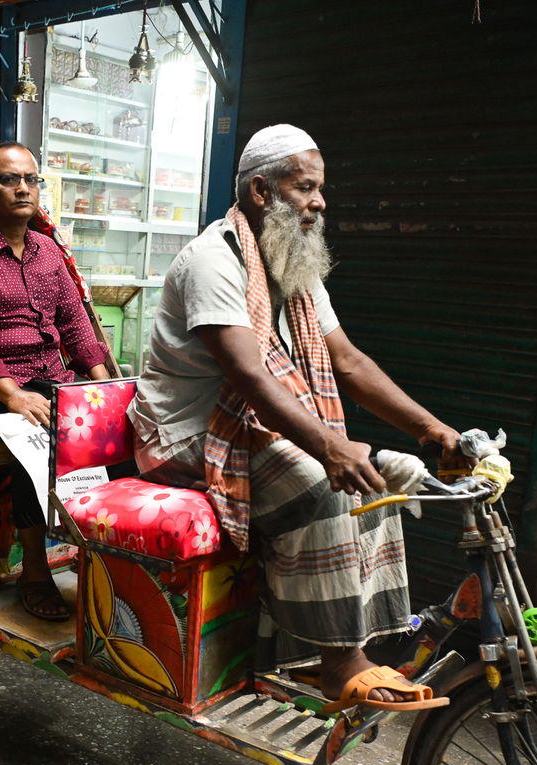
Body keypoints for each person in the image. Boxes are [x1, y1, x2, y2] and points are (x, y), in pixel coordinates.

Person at [129, 124, 462, 711]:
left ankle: (346, 641)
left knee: (390, 475)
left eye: (319, 189)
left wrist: (431, 429)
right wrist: (330, 448)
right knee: (322, 483)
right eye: (306, 188)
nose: (320, 202)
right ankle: (340, 663)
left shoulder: (293, 266)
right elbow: (250, 377)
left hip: (246, 429)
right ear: (261, 192)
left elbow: (349, 362)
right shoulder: (214, 260)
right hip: (183, 436)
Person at [0, 142, 112, 621]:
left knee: (112, 430)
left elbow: (76, 324)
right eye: (10, 180)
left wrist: (102, 390)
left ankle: (107, 560)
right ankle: (35, 570)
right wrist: (13, 395)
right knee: (38, 441)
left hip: (48, 379)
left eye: (31, 179)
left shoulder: (49, 252)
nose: (22, 188)